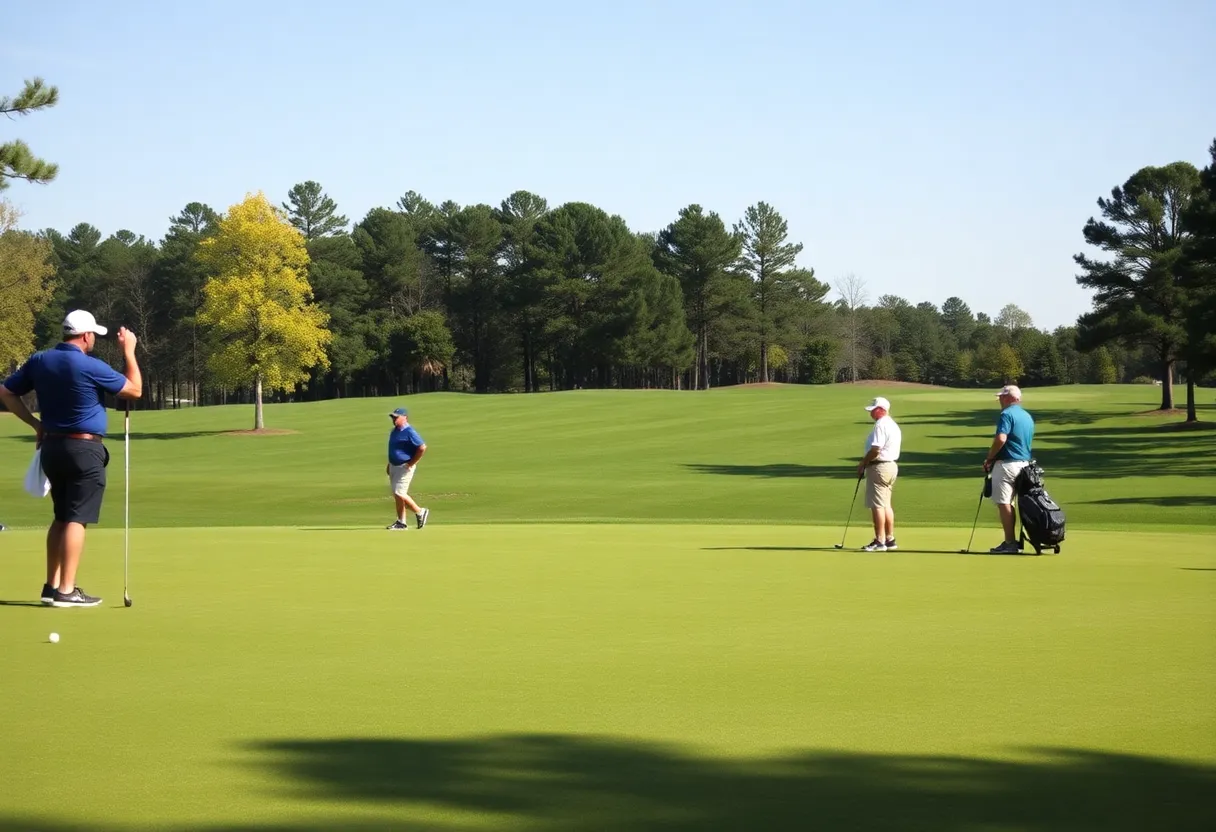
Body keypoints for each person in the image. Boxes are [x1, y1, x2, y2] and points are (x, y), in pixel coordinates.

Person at [0, 310, 142, 607]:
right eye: (93, 336)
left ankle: (51, 587)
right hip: (84, 451)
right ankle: (67, 590)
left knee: (62, 517)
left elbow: (6, 392)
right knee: (77, 518)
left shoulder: (41, 360)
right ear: (86, 335)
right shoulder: (90, 365)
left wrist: (35, 424)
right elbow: (135, 390)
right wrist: (129, 352)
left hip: (51, 448)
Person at [982, 384, 1035, 554]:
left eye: (1001, 397)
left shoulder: (1006, 414)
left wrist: (989, 458)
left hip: (1007, 464)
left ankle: (1010, 543)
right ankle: (1018, 540)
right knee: (1020, 502)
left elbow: (1001, 438)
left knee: (1004, 502)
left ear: (1008, 398)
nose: (999, 400)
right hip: (1026, 465)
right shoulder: (1027, 416)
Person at [856, 396, 902, 552]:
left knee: (877, 505)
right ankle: (890, 539)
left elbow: (876, 449)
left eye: (873, 410)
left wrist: (863, 463)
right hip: (891, 467)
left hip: (879, 467)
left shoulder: (881, 425)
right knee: (886, 504)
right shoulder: (892, 424)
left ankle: (879, 541)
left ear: (881, 410)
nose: (871, 413)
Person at [385, 407, 429, 531]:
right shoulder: (394, 431)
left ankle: (420, 511)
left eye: (396, 417)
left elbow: (422, 447)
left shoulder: (409, 431)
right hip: (394, 466)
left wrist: (411, 463)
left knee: (400, 493)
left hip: (404, 467)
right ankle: (401, 522)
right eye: (393, 417)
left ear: (405, 417)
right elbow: (394, 449)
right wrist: (389, 464)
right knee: (397, 495)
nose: (394, 420)